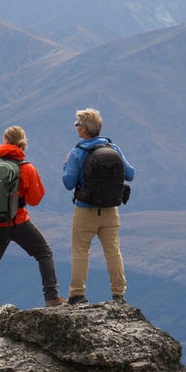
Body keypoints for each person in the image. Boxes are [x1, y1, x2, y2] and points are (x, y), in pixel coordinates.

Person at [0, 113, 66, 325]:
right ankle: (52, 297)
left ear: (5, 141)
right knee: (43, 253)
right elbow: (35, 199)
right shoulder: (27, 168)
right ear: (22, 144)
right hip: (18, 223)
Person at [62, 108, 136, 305]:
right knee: (113, 251)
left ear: (84, 129)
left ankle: (77, 294)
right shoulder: (113, 148)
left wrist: (66, 164)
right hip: (111, 210)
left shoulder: (77, 152)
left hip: (85, 210)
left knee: (80, 251)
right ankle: (119, 294)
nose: (76, 127)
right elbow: (130, 174)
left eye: (77, 124)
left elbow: (68, 183)